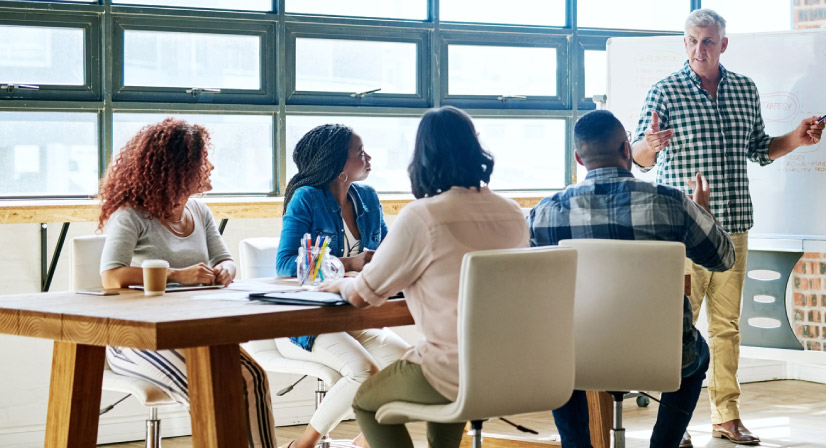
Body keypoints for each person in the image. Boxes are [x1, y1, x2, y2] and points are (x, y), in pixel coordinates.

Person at [630, 8, 826, 445]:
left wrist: (797, 138)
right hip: (682, 231)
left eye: (707, 41)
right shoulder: (664, 91)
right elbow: (638, 160)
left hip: (734, 225)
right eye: (691, 41)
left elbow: (760, 149)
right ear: (684, 44)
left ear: (723, 44)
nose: (699, 49)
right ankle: (674, 423)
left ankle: (727, 416)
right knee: (674, 329)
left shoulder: (743, 89)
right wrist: (648, 145)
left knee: (727, 328)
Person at [317, 107, 530, 448]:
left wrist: (338, 282)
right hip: (522, 368)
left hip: (454, 370)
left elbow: (362, 295)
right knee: (447, 398)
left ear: (423, 158)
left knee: (367, 403)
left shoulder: (423, 216)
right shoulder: (513, 212)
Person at [529, 110, 734, 448]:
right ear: (627, 149)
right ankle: (663, 444)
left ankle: (576, 444)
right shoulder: (672, 204)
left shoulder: (545, 213)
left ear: (579, 158)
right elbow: (724, 258)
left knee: (555, 353)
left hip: (576, 356)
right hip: (663, 354)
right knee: (697, 357)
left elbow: (527, 285)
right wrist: (704, 212)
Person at [97, 118, 277, 448]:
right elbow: (111, 276)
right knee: (210, 388)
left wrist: (225, 270)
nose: (210, 165)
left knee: (253, 377)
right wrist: (177, 275)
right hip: (137, 338)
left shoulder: (200, 211)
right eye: (201, 160)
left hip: (193, 332)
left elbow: (225, 259)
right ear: (178, 168)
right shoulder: (131, 214)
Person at [275, 124, 410, 448]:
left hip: (358, 316)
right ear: (338, 164)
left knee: (409, 366)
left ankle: (362, 445)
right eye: (359, 152)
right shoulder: (307, 198)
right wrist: (349, 264)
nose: (368, 157)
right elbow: (284, 264)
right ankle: (302, 445)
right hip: (308, 321)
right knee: (364, 369)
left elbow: (388, 255)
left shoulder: (367, 197)